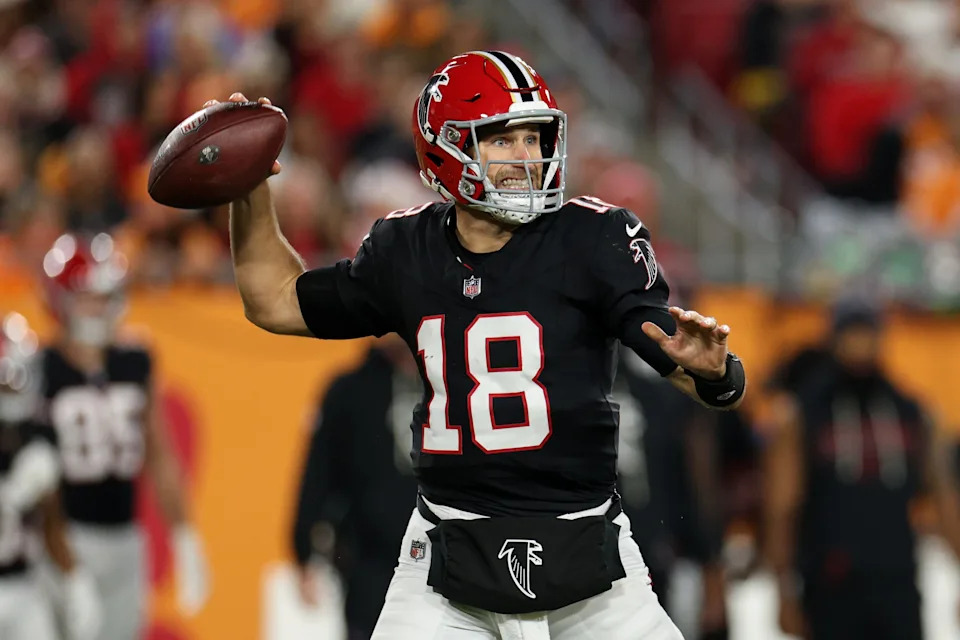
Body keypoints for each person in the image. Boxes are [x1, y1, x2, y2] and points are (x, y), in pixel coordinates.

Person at [213, 50, 747, 639]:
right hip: (446, 557)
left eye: (535, 137)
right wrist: (250, 190)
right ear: (446, 149)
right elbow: (277, 300)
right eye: (503, 139)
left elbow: (677, 363)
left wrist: (713, 372)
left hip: (588, 551)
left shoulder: (593, 237)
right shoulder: (406, 249)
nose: (527, 157)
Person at [38, 233, 210, 640]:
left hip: (124, 537)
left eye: (105, 296)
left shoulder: (134, 361)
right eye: (88, 297)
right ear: (61, 300)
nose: (99, 308)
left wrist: (184, 535)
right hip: (65, 534)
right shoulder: (41, 368)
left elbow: (160, 453)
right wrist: (63, 560)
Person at [764, 298, 960, 640]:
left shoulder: (909, 409)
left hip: (896, 575)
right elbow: (783, 504)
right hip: (831, 578)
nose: (860, 345)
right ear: (834, 338)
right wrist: (782, 591)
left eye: (867, 334)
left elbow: (943, 496)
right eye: (852, 334)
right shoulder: (805, 411)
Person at [291, 334, 420, 639]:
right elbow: (318, 474)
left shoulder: (452, 386)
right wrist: (304, 551)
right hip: (370, 566)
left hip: (447, 565)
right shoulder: (350, 390)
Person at [0, 311, 101, 640]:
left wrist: (75, 580)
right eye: (7, 377)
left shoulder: (32, 439)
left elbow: (52, 523)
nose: (16, 386)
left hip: (26, 588)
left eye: (20, 375)